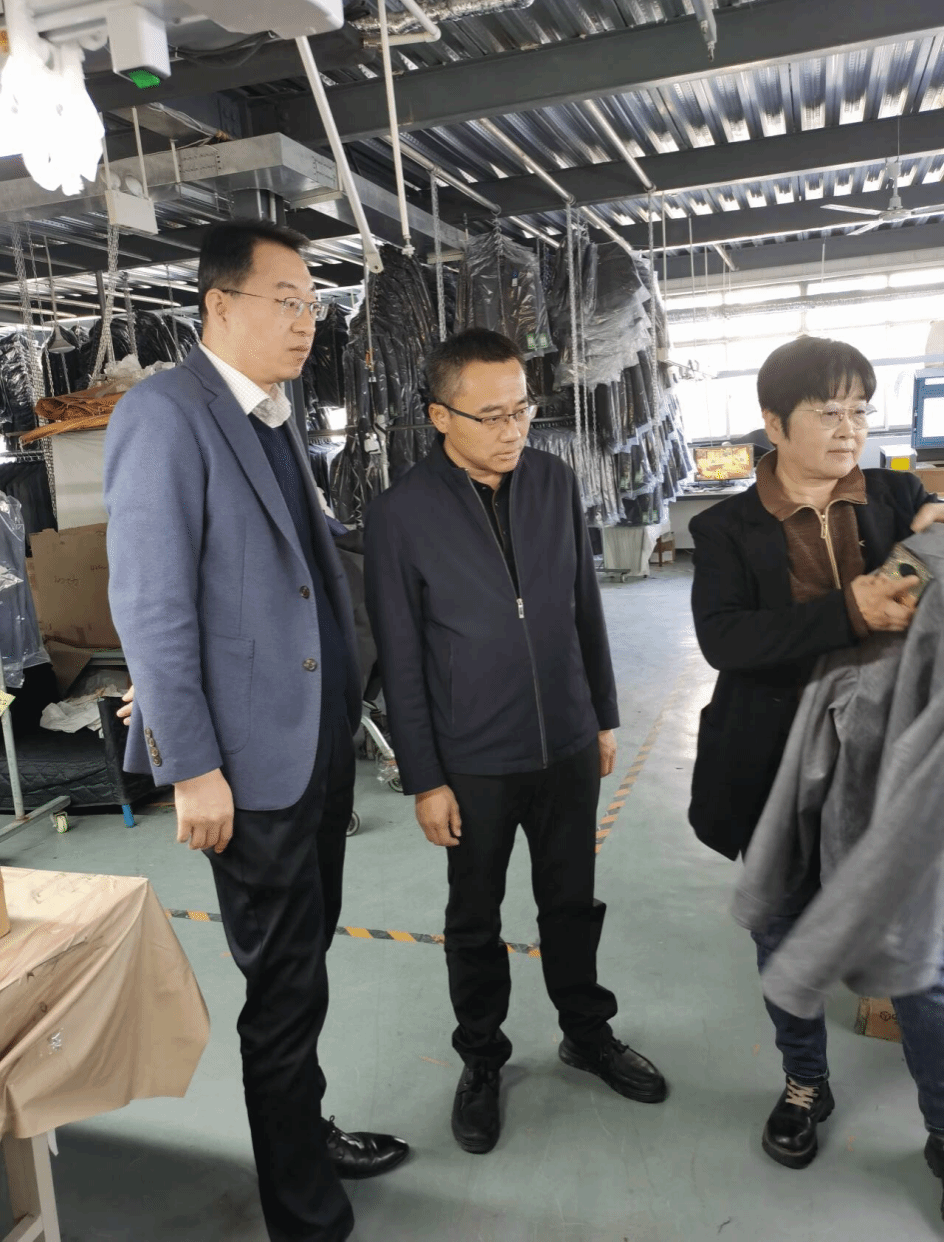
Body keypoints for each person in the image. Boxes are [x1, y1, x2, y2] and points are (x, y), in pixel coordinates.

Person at [104, 219, 407, 1242]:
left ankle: (304, 1137)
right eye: (287, 300)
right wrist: (190, 768)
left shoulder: (273, 416)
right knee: (280, 990)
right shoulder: (165, 414)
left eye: (312, 303)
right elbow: (151, 605)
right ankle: (303, 1215)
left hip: (311, 744)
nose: (306, 321)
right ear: (218, 304)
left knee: (302, 969)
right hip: (243, 766)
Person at [364, 328, 668, 1157]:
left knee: (572, 899)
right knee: (475, 916)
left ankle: (587, 1031)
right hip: (474, 758)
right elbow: (401, 655)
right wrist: (425, 777)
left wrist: (601, 714)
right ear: (440, 415)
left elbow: (582, 605)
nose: (513, 430)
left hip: (565, 739)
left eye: (522, 409)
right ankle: (481, 1057)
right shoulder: (400, 514)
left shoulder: (554, 481)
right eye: (491, 415)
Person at [689, 335, 944, 1176]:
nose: (848, 428)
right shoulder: (726, 527)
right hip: (773, 767)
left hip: (884, 766)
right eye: (827, 411)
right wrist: (850, 612)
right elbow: (726, 639)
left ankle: (943, 1119)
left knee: (919, 954)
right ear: (773, 422)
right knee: (782, 930)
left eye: (860, 409)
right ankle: (805, 1082)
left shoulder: (898, 494)